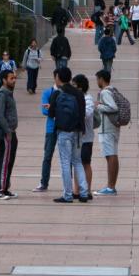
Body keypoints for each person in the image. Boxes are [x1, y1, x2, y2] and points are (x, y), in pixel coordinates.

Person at [50, 67, 92, 203]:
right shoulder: (79, 94)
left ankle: (67, 195)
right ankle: (84, 193)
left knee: (65, 163)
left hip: (64, 132)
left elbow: (51, 114)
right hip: (78, 132)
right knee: (78, 161)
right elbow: (83, 113)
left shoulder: (57, 93)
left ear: (58, 78)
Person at [0, 70, 19, 199]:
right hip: (5, 134)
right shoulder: (2, 94)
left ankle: (5, 187)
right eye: (11, 78)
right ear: (4, 80)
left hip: (11, 133)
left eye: (15, 78)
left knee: (9, 161)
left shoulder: (9, 93)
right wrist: (7, 131)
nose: (14, 80)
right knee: (3, 161)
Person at [94, 69, 121, 196]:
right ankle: (111, 186)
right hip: (113, 127)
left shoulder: (105, 92)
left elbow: (113, 107)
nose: (97, 82)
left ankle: (110, 187)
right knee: (113, 155)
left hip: (107, 128)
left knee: (110, 156)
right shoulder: (113, 90)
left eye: (97, 79)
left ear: (101, 79)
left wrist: (98, 106)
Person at [34, 69, 61, 193]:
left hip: (64, 129)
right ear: (55, 77)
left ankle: (70, 184)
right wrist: (60, 110)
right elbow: (44, 111)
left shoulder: (67, 92)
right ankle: (44, 182)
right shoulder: (47, 92)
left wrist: (52, 109)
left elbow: (49, 110)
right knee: (47, 156)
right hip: (51, 129)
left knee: (67, 158)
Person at [73, 74, 96, 193]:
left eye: (74, 85)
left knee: (85, 163)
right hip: (76, 137)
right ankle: (76, 190)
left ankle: (87, 190)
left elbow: (87, 114)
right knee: (77, 163)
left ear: (80, 87)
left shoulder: (88, 99)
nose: (72, 87)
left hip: (86, 138)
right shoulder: (74, 98)